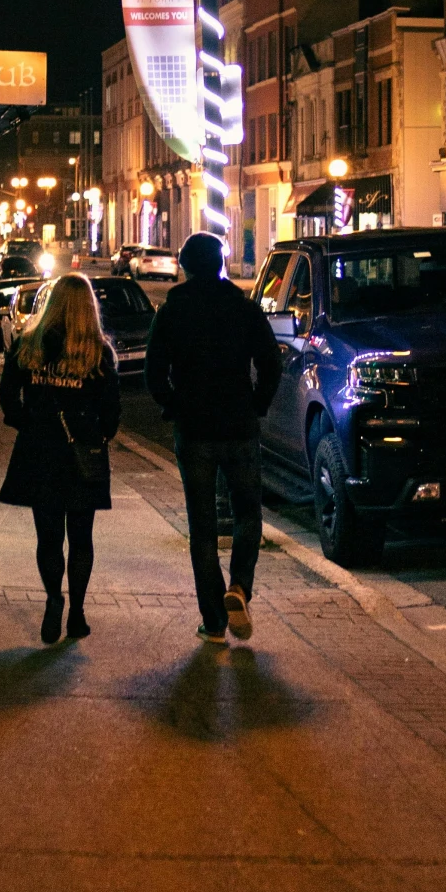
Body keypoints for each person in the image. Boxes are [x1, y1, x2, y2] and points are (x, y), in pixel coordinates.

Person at [145, 231, 281, 644]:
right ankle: (239, 586)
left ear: (185, 267)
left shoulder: (172, 310)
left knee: (202, 526)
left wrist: (171, 404)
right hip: (239, 423)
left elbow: (154, 370)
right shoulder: (242, 307)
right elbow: (270, 361)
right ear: (221, 263)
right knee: (247, 513)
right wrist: (257, 403)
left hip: (195, 427)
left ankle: (214, 620)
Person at [0, 273, 121, 643]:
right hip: (81, 454)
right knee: (81, 538)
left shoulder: (28, 344)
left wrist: (27, 423)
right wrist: (97, 435)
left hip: (39, 452)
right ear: (88, 308)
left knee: (48, 537)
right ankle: (78, 613)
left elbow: (6, 395)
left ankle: (54, 598)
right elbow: (112, 413)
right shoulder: (97, 353)